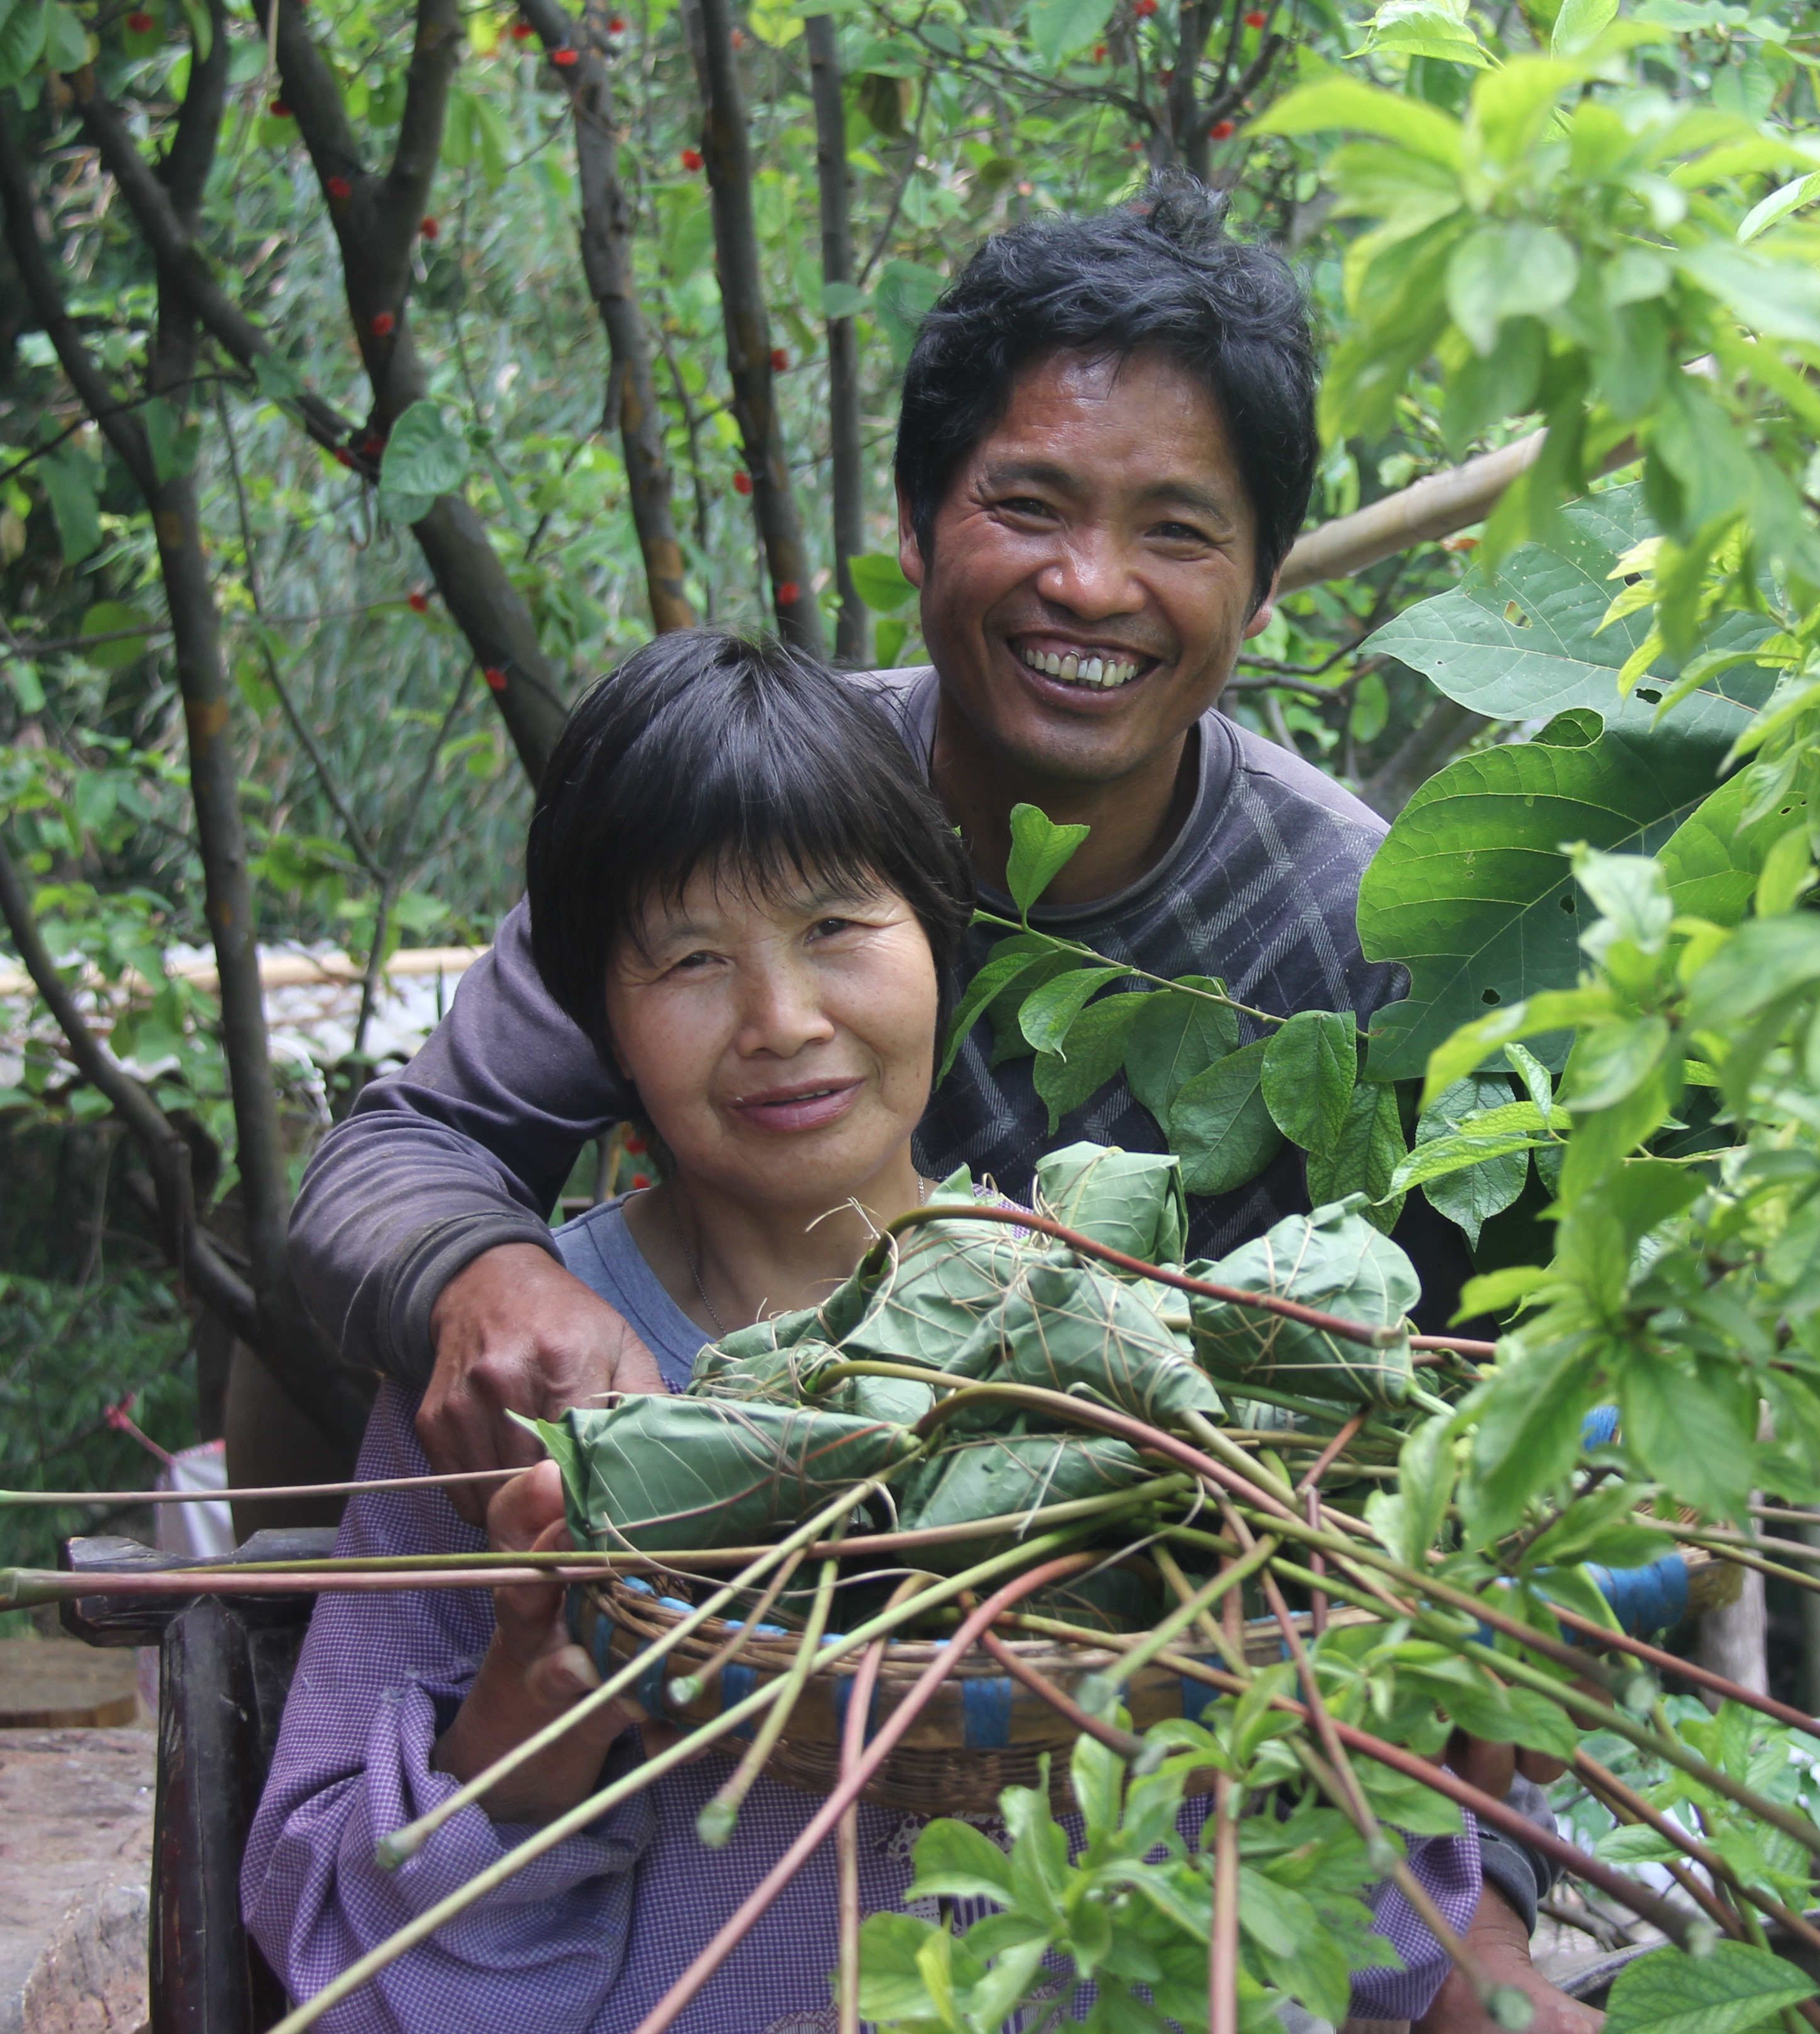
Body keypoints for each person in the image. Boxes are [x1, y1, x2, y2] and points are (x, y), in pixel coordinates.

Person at [285, 181, 1590, 2033]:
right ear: (917, 527)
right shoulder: (742, 808)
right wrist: (478, 1280)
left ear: (1268, 573)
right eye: (1030, 504)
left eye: (1177, 529)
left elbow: (1470, 1487)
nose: (1089, 584)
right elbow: (394, 1153)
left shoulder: (1369, 936)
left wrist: (1480, 1918)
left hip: (1157, 1805)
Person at [244, 632, 1485, 2032]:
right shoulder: (516, 1399)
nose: (781, 1022)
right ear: (602, 1018)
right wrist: (520, 1746)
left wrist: (1340, 1698)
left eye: (838, 929)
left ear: (941, 942)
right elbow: (336, 1973)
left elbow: (1371, 1955)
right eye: (693, 959)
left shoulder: (1131, 1338)